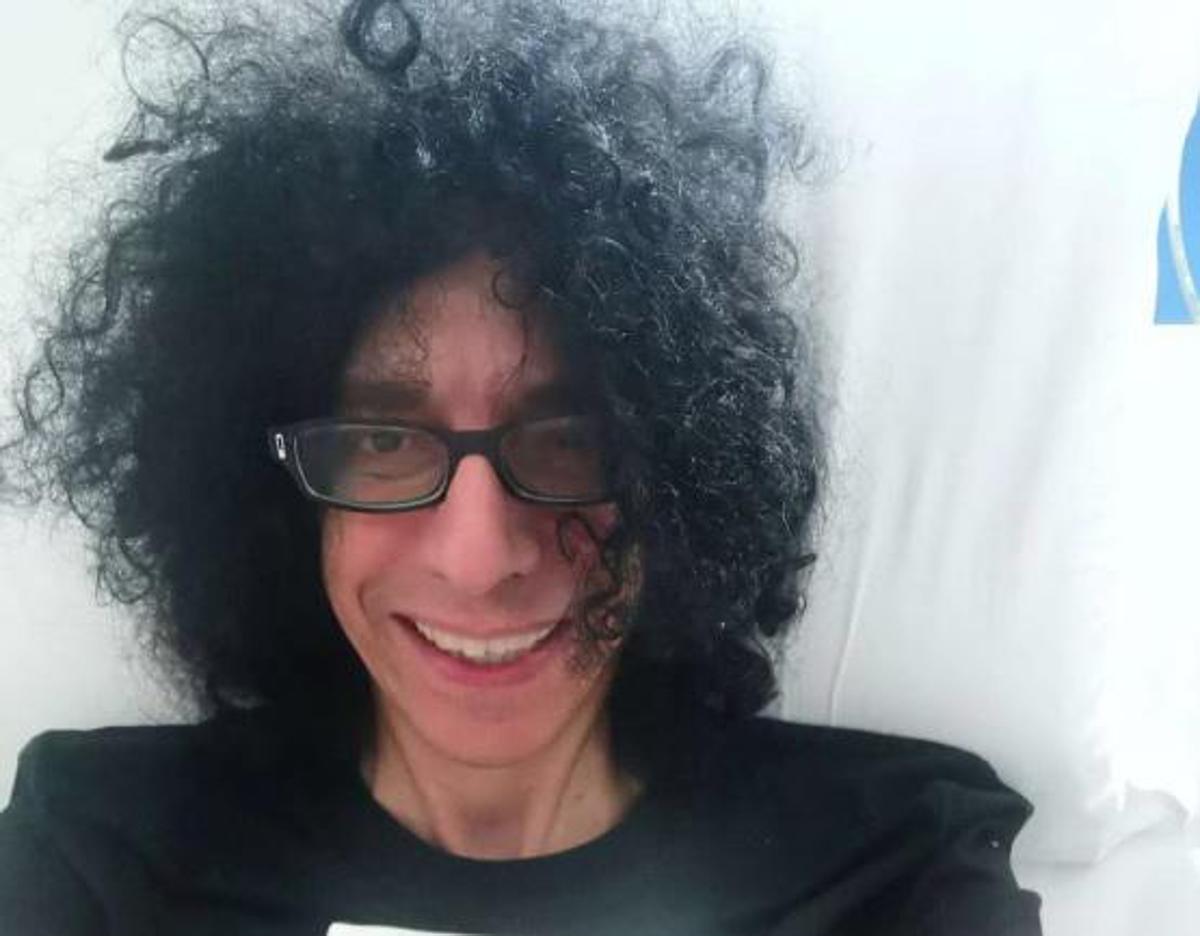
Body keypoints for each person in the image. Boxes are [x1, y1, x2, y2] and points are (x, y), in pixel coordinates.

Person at [0, 0, 1043, 933]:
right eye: (383, 441)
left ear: (678, 474)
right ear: (276, 497)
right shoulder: (105, 856)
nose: (479, 557)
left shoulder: (894, 871)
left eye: (568, 437)